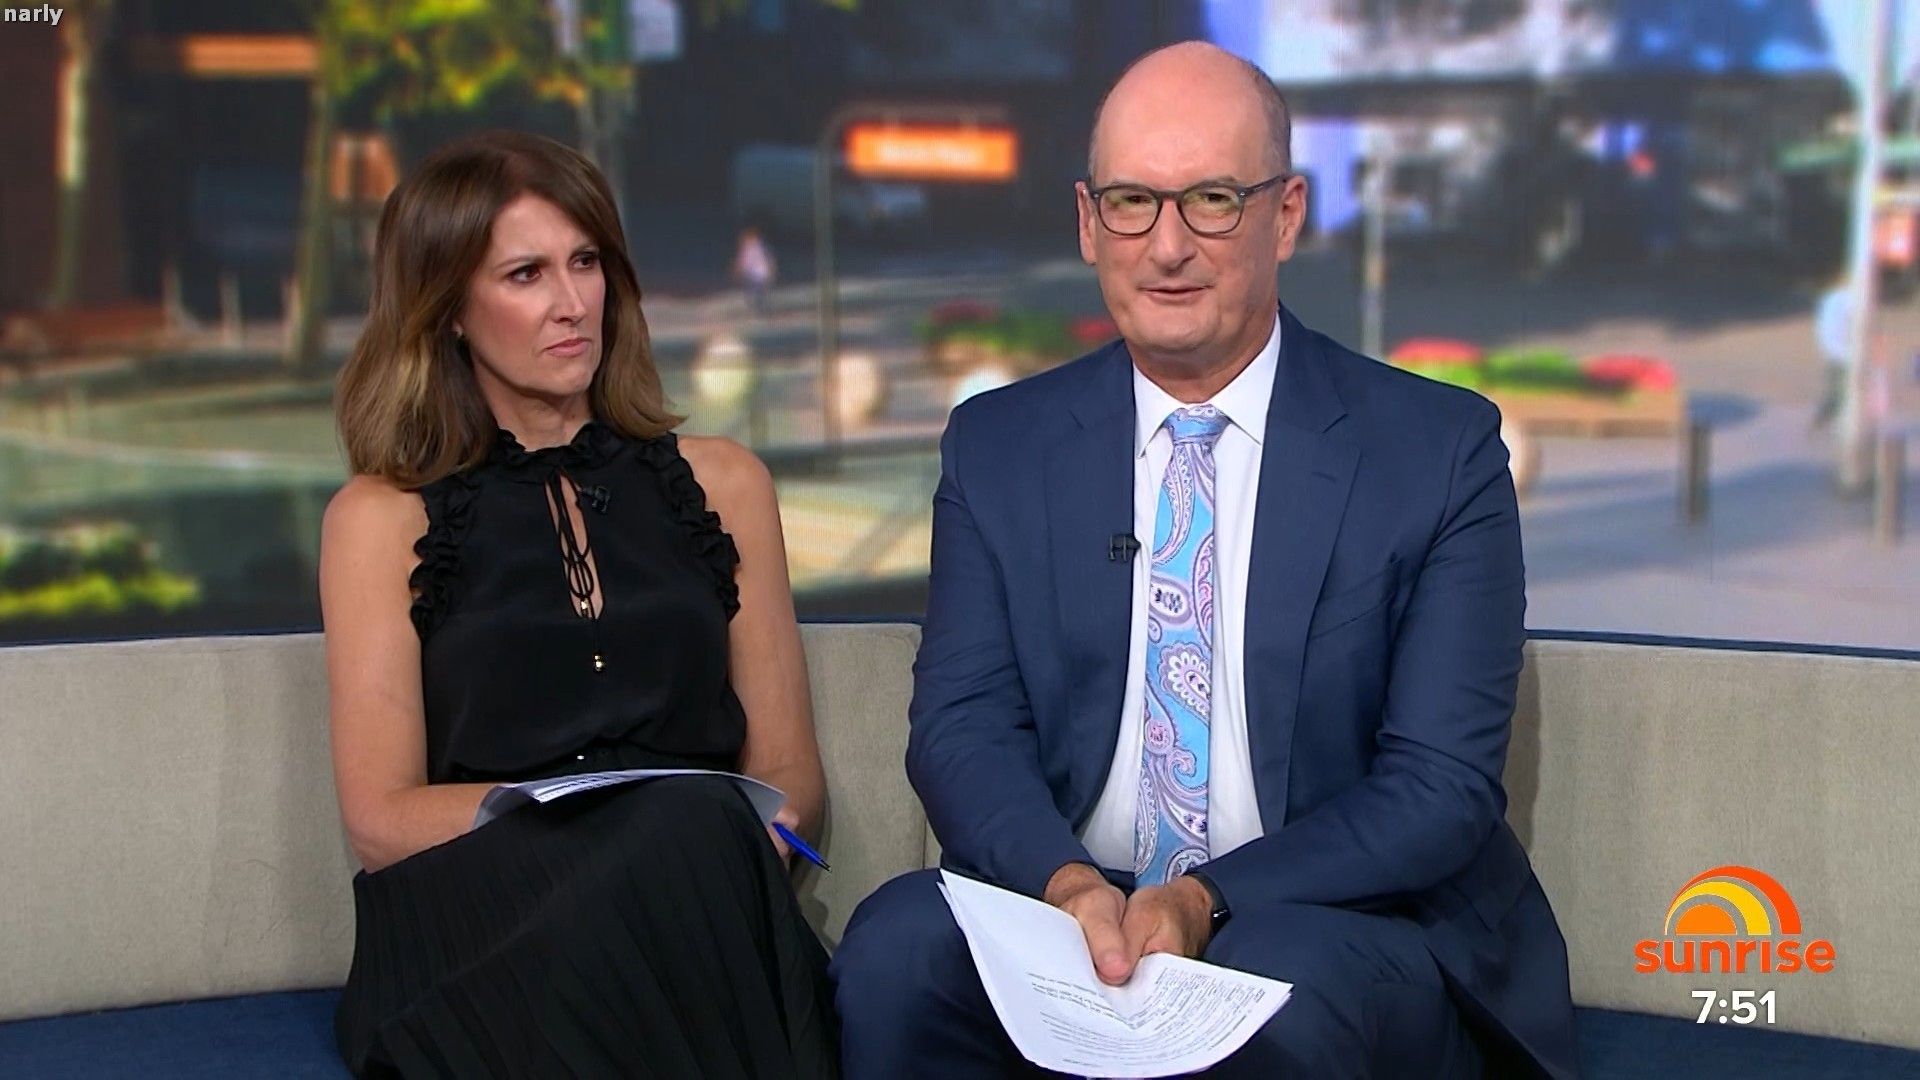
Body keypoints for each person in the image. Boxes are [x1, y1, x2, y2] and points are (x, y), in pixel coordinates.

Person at [831, 42, 1576, 1079]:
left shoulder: (1436, 452)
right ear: (1088, 221)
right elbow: (962, 728)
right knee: (896, 950)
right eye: (1133, 202)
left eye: (1213, 201)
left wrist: (1203, 899)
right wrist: (1067, 889)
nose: (1168, 245)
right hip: (1074, 904)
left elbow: (1437, 787)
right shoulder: (999, 447)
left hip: (1329, 918)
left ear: (1287, 214)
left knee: (1277, 988)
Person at [322, 130, 837, 1078]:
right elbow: (381, 819)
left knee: (688, 838)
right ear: (449, 310)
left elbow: (789, 774)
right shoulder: (379, 519)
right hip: (479, 927)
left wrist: (707, 852)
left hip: (697, 901)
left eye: (586, 262)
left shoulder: (725, 483)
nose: (572, 303)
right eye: (526, 274)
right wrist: (613, 832)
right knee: (677, 832)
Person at [733, 225, 777, 316]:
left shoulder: (757, 248)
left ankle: (760, 307)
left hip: (759, 274)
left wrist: (771, 270)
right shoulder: (754, 248)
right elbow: (743, 262)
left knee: (756, 292)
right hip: (756, 275)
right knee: (754, 292)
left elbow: (743, 262)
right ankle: (759, 307)